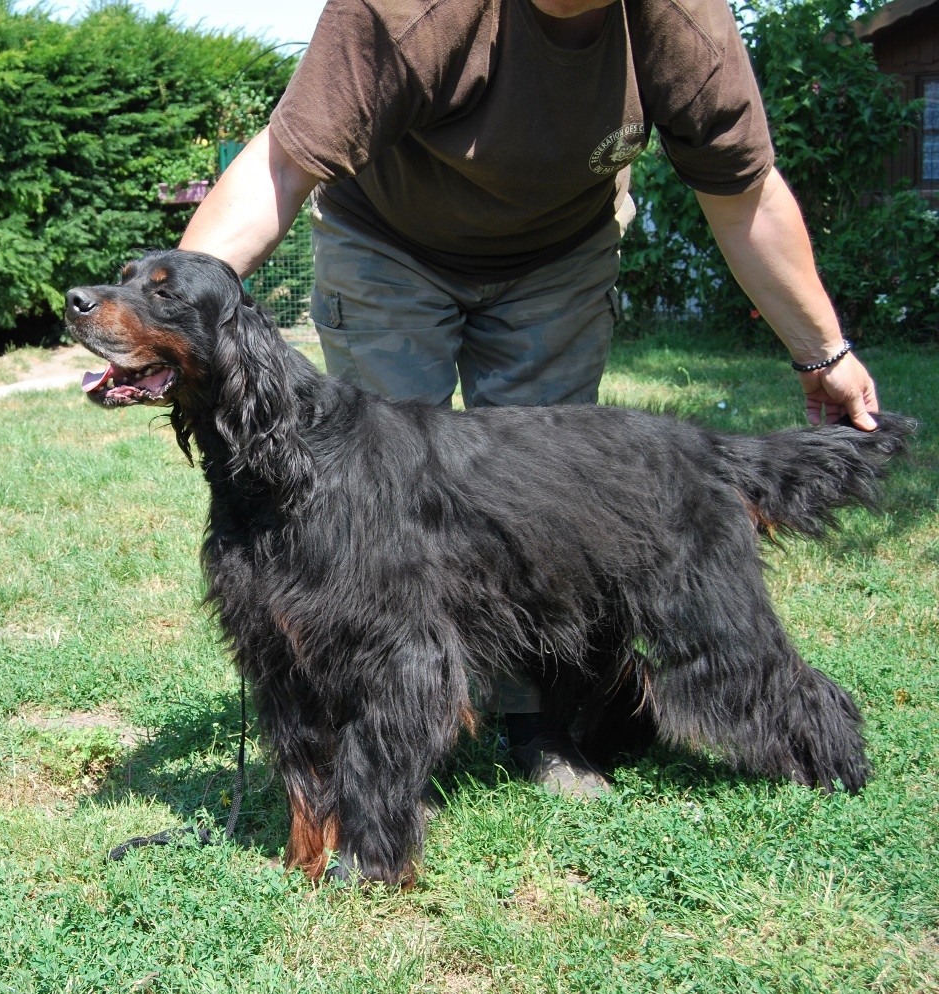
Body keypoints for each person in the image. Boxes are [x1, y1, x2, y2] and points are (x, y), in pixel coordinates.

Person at [180, 0, 881, 796]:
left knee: (551, 520)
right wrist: (176, 318)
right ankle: (369, 741)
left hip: (557, 254)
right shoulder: (406, 9)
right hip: (390, 241)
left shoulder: (682, 21)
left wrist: (823, 350)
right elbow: (279, 164)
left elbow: (744, 192)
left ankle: (542, 728)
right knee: (365, 529)